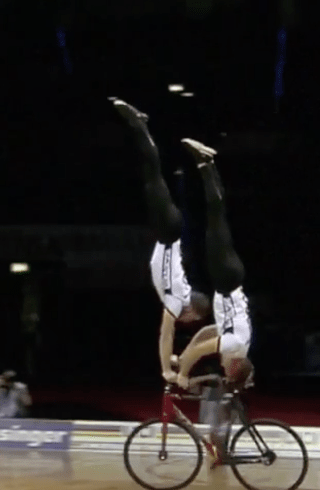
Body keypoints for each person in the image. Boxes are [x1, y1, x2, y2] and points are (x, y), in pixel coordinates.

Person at [110, 97, 211, 382]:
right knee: (152, 175)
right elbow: (165, 334)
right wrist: (166, 367)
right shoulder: (177, 300)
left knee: (153, 178)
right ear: (191, 312)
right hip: (169, 232)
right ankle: (139, 124)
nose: (183, 322)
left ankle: (145, 130)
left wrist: (177, 359)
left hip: (169, 233)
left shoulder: (180, 295)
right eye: (190, 320)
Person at [171, 139, 255, 463]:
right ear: (234, 366)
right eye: (226, 371)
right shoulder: (234, 345)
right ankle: (206, 165)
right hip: (228, 279)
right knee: (216, 219)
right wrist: (183, 371)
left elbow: (207, 335)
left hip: (230, 278)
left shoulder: (236, 343)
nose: (221, 368)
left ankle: (207, 166)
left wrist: (183, 356)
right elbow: (204, 348)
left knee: (217, 220)